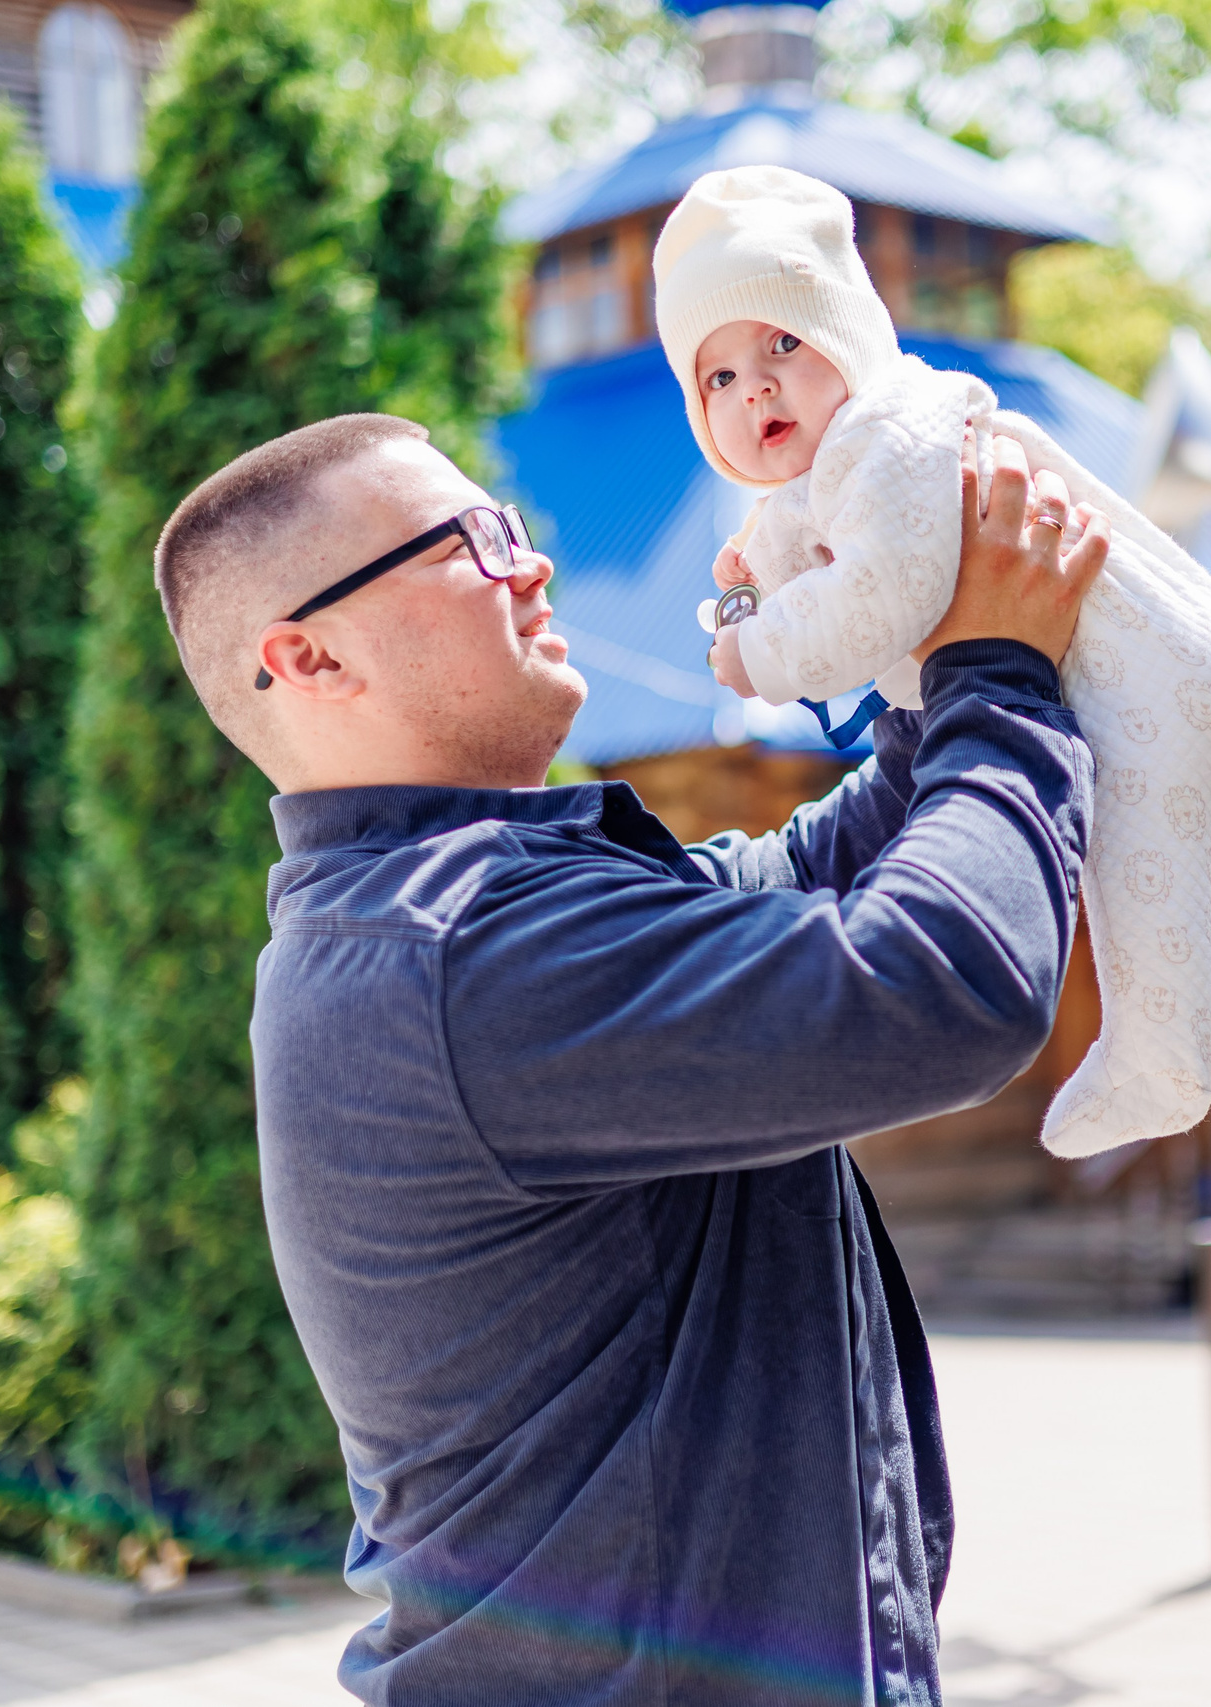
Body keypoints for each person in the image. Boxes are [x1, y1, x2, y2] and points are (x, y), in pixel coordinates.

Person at [148, 407, 1109, 1705]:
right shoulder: (461, 949)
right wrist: (1001, 671)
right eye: (468, 542)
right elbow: (943, 984)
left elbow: (809, 874)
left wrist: (918, 661)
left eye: (512, 525)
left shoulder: (458, 907)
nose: (529, 561)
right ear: (308, 656)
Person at [653, 164, 1211, 1160]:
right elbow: (775, 613)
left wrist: (756, 648)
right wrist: (743, 614)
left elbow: (875, 603)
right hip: (1208, 654)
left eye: (784, 340)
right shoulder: (813, 493)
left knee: (1132, 857)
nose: (758, 385)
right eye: (719, 378)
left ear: (853, 340)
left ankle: (1162, 1060)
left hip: (1139, 693)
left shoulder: (892, 431)